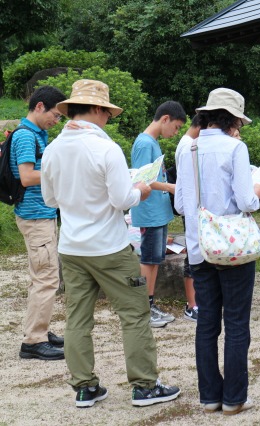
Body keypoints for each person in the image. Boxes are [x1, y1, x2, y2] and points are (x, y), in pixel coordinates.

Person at [40, 79, 181, 407]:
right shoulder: (105, 149)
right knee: (134, 313)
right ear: (99, 110)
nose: (108, 118)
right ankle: (145, 385)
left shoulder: (53, 149)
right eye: (107, 112)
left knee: (77, 318)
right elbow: (123, 199)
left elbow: (50, 199)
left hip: (72, 247)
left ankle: (84, 387)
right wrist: (142, 191)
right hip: (110, 247)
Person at [175, 87, 260, 415]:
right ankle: (234, 398)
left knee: (207, 323)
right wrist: (258, 192)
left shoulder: (188, 149)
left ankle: (210, 396)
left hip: (200, 247)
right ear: (232, 120)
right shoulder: (235, 148)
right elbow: (245, 201)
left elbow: (180, 203)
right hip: (232, 247)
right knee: (238, 322)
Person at [10, 86, 67, 361]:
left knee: (41, 277)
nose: (56, 121)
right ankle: (34, 341)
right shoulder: (25, 137)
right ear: (40, 106)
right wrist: (59, 170)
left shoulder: (35, 134)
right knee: (46, 278)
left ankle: (39, 330)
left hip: (40, 214)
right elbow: (26, 177)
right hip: (35, 216)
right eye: (55, 115)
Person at [130, 101, 186, 327]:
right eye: (177, 126)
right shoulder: (144, 143)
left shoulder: (151, 142)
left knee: (154, 259)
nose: (176, 131)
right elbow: (143, 180)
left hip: (158, 212)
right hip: (149, 211)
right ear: (165, 119)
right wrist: (172, 187)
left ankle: (150, 304)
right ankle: (144, 307)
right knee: (149, 259)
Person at [172, 115, 201, 322]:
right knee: (193, 257)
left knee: (196, 256)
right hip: (191, 211)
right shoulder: (188, 146)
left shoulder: (187, 143)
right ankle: (191, 305)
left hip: (191, 209)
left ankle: (196, 302)